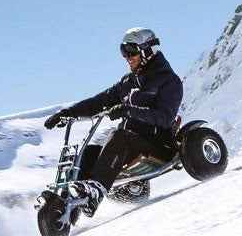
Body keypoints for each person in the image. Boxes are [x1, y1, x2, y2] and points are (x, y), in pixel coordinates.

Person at [44, 27, 183, 216]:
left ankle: (95, 191)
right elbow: (99, 102)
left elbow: (165, 117)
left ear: (147, 50)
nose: (127, 57)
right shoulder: (128, 82)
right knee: (90, 152)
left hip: (158, 146)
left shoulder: (169, 81)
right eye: (124, 52)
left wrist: (130, 110)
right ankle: (66, 207)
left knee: (120, 136)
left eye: (131, 52)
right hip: (128, 146)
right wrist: (68, 112)